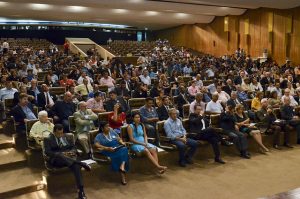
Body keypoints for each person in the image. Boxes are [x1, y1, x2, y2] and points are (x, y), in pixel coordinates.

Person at [43, 124, 91, 199]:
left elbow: (73, 147)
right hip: (57, 160)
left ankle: (81, 192)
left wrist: (72, 151)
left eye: (61, 133)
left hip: (69, 159)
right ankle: (81, 163)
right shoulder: (48, 139)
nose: (60, 135)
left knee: (76, 166)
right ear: (54, 132)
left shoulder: (65, 136)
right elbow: (47, 152)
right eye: (58, 133)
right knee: (61, 155)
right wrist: (61, 154)